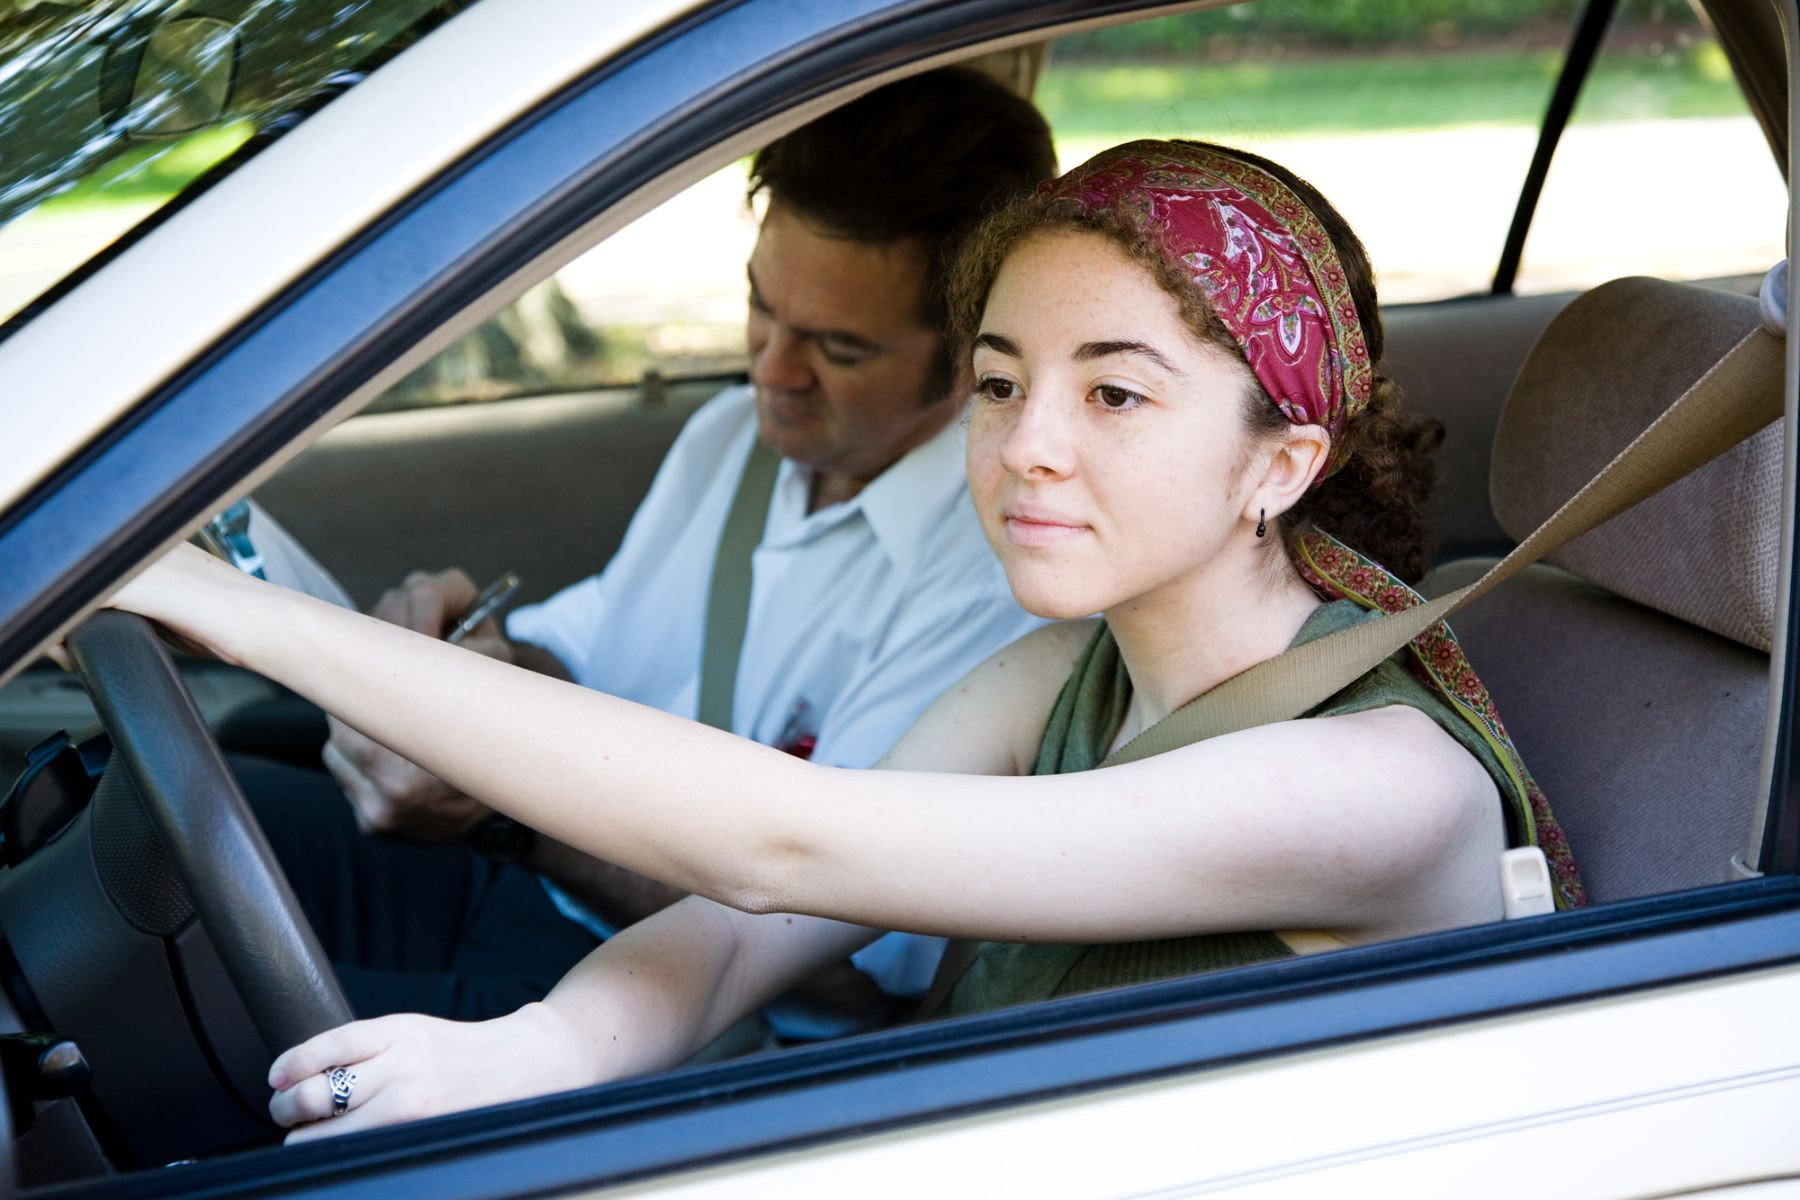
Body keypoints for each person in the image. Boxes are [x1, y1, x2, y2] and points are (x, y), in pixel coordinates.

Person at [98, 138, 1584, 1139]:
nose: (1025, 451)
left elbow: (784, 845)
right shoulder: (1074, 669)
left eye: (1113, 395)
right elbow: (755, 925)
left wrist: (227, 604)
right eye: (999, 386)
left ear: (1281, 464)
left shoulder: (1376, 783)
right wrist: (522, 1055)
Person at [229, 66, 1059, 1033]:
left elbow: (849, 970)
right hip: (526, 897)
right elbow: (584, 654)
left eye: (839, 348)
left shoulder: (992, 572)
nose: (772, 371)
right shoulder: (728, 443)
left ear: (972, 355)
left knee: (206, 1027)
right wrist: (470, 653)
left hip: (698, 1017)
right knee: (172, 838)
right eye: (762, 309)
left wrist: (504, 814)